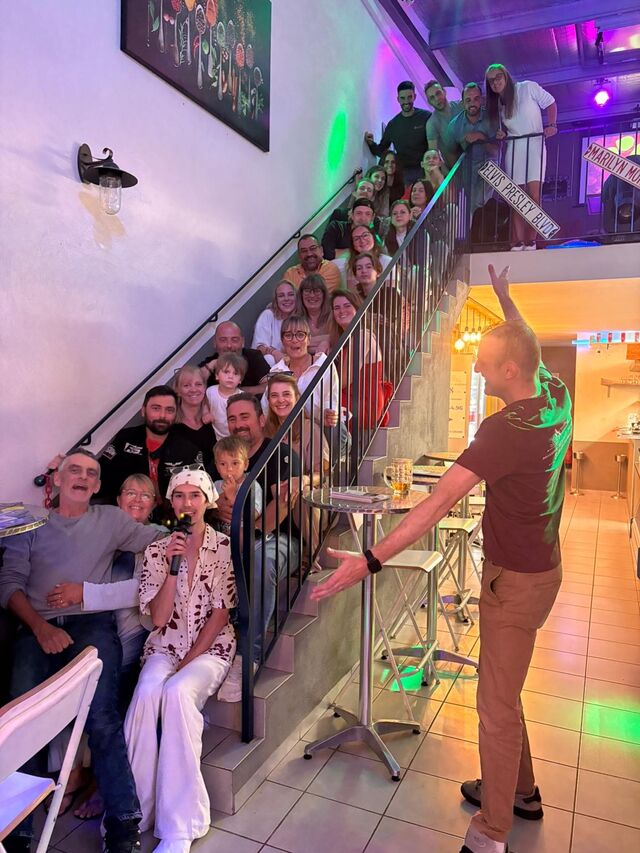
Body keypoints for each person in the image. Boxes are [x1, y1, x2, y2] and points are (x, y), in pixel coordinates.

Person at [312, 264, 572, 853]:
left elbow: (434, 505)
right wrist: (505, 299)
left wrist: (368, 560)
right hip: (543, 570)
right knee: (505, 687)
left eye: (484, 361)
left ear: (510, 371)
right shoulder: (555, 394)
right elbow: (526, 340)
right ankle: (521, 792)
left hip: (514, 582)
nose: (476, 367)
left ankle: (490, 833)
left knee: (494, 707)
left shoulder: (504, 429)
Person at [0, 449, 163, 853]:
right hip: (34, 627)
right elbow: (9, 585)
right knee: (21, 723)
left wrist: (201, 526)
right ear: (56, 479)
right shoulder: (27, 521)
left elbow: (162, 538)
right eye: (74, 469)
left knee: (102, 717)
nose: (83, 477)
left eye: (91, 473)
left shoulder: (110, 520)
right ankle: (17, 832)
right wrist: (40, 629)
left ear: (97, 485)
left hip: (92, 626)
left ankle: (124, 826)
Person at [124, 467, 237, 853]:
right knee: (145, 695)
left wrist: (188, 662)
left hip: (210, 647)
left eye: (195, 495)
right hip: (164, 645)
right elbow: (158, 619)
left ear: (207, 501)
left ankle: (181, 825)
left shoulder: (224, 547)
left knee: (176, 693)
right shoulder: (158, 550)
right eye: (179, 495)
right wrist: (173, 569)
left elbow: (220, 614)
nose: (187, 503)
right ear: (170, 502)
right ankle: (136, 811)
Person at [46, 473, 162, 821]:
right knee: (61, 679)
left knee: (110, 690)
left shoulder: (157, 538)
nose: (137, 499)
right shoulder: (99, 530)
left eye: (145, 495)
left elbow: (143, 589)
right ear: (117, 499)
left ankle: (100, 779)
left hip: (130, 635)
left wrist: (85, 593)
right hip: (89, 629)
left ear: (154, 505)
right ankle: (71, 773)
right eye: (130, 492)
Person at [213, 394, 301, 698]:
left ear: (261, 419)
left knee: (260, 559)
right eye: (232, 418)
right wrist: (217, 510)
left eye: (245, 416)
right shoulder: (223, 456)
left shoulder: (280, 454)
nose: (238, 424)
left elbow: (281, 509)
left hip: (281, 539)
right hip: (234, 536)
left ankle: (248, 655)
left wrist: (247, 527)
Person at [99, 385, 203, 521]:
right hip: (125, 518)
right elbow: (101, 475)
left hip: (173, 520)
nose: (162, 416)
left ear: (176, 414)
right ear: (143, 411)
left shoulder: (188, 449)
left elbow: (200, 491)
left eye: (169, 410)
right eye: (156, 408)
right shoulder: (125, 439)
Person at [485, 63, 557, 251]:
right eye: (491, 81)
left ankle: (531, 240)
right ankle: (518, 241)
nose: (495, 82)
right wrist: (502, 134)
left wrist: (552, 125)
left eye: (498, 77)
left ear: (506, 76)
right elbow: (505, 128)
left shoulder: (527, 87)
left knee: (534, 194)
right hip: (514, 147)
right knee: (516, 197)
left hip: (535, 145)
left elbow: (550, 102)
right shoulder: (499, 104)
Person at [329, 290, 388, 430]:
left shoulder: (362, 337)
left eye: (347, 306)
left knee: (315, 407)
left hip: (363, 403)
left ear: (357, 308)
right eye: (336, 308)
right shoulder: (347, 338)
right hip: (351, 398)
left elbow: (343, 380)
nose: (341, 311)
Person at [353, 252, 410, 381]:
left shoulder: (390, 294)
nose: (364, 271)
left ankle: (386, 380)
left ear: (378, 272)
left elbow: (388, 321)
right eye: (359, 268)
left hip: (388, 344)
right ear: (355, 275)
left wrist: (365, 318)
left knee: (382, 334)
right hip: (366, 344)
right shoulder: (354, 299)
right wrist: (369, 318)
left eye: (368, 267)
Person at [448, 82, 500, 219]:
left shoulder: (492, 118)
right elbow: (451, 153)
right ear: (462, 103)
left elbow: (496, 151)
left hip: (490, 165)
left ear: (481, 100)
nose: (472, 103)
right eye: (468, 100)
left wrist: (481, 137)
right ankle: (476, 231)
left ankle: (482, 227)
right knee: (470, 207)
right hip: (468, 169)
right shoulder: (454, 125)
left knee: (478, 202)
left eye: (476, 99)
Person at [364, 81, 431, 182]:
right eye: (402, 98)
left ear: (414, 97)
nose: (406, 101)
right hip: (404, 174)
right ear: (398, 99)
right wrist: (371, 144)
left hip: (426, 170)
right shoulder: (393, 125)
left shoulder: (426, 117)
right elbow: (382, 151)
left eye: (409, 97)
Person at [199, 321, 270, 395]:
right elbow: (194, 386)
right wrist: (212, 364)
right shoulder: (209, 364)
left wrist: (237, 393)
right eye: (223, 340)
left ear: (242, 342)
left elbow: (270, 385)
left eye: (234, 340)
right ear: (215, 342)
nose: (229, 345)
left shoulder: (254, 356)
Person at [172, 365, 217, 469]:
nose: (193, 389)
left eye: (198, 384)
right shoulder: (171, 425)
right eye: (186, 385)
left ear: (204, 387)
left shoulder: (213, 416)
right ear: (177, 390)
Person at [251, 280, 298, 366]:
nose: (286, 299)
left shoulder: (301, 318)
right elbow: (259, 348)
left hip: (295, 363)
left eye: (291, 294)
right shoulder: (268, 315)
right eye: (281, 296)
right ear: (276, 300)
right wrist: (274, 352)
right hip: (270, 365)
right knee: (269, 359)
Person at [334, 225, 392, 292]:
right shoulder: (350, 264)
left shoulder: (387, 261)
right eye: (356, 239)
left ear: (373, 237)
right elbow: (353, 294)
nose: (362, 240)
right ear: (353, 245)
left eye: (365, 235)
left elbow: (391, 293)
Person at [205, 352, 246, 439]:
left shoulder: (243, 397)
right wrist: (206, 413)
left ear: (240, 380)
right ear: (217, 375)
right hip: (217, 437)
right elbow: (205, 404)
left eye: (235, 373)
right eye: (226, 372)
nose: (230, 376)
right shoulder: (211, 391)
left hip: (237, 438)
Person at [424, 79, 464, 168]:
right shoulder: (432, 124)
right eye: (432, 97)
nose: (437, 99)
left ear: (444, 92)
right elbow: (434, 156)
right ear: (429, 102)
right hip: (457, 169)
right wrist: (447, 174)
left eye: (438, 93)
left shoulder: (461, 106)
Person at [295, 274, 333, 354]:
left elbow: (338, 338)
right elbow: (289, 345)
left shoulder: (333, 315)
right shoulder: (295, 319)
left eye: (317, 291)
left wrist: (303, 344)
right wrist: (326, 341)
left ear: (324, 294)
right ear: (301, 295)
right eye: (307, 291)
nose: (312, 295)